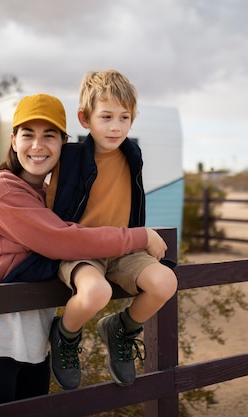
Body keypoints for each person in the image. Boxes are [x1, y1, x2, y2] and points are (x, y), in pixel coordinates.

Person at [0, 93, 169, 411]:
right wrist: (139, 236)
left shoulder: (52, 196)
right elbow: (62, 241)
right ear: (13, 140)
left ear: (63, 143)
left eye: (48, 136)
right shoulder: (1, 188)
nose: (37, 146)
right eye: (28, 135)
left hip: (34, 347)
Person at [45, 70, 178, 390]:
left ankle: (121, 328)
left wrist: (141, 237)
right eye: (106, 116)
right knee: (95, 292)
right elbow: (48, 205)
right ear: (85, 118)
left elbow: (132, 200)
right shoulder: (69, 157)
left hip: (123, 250)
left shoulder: (133, 155)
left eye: (124, 117)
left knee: (165, 282)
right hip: (82, 251)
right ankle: (65, 335)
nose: (116, 126)